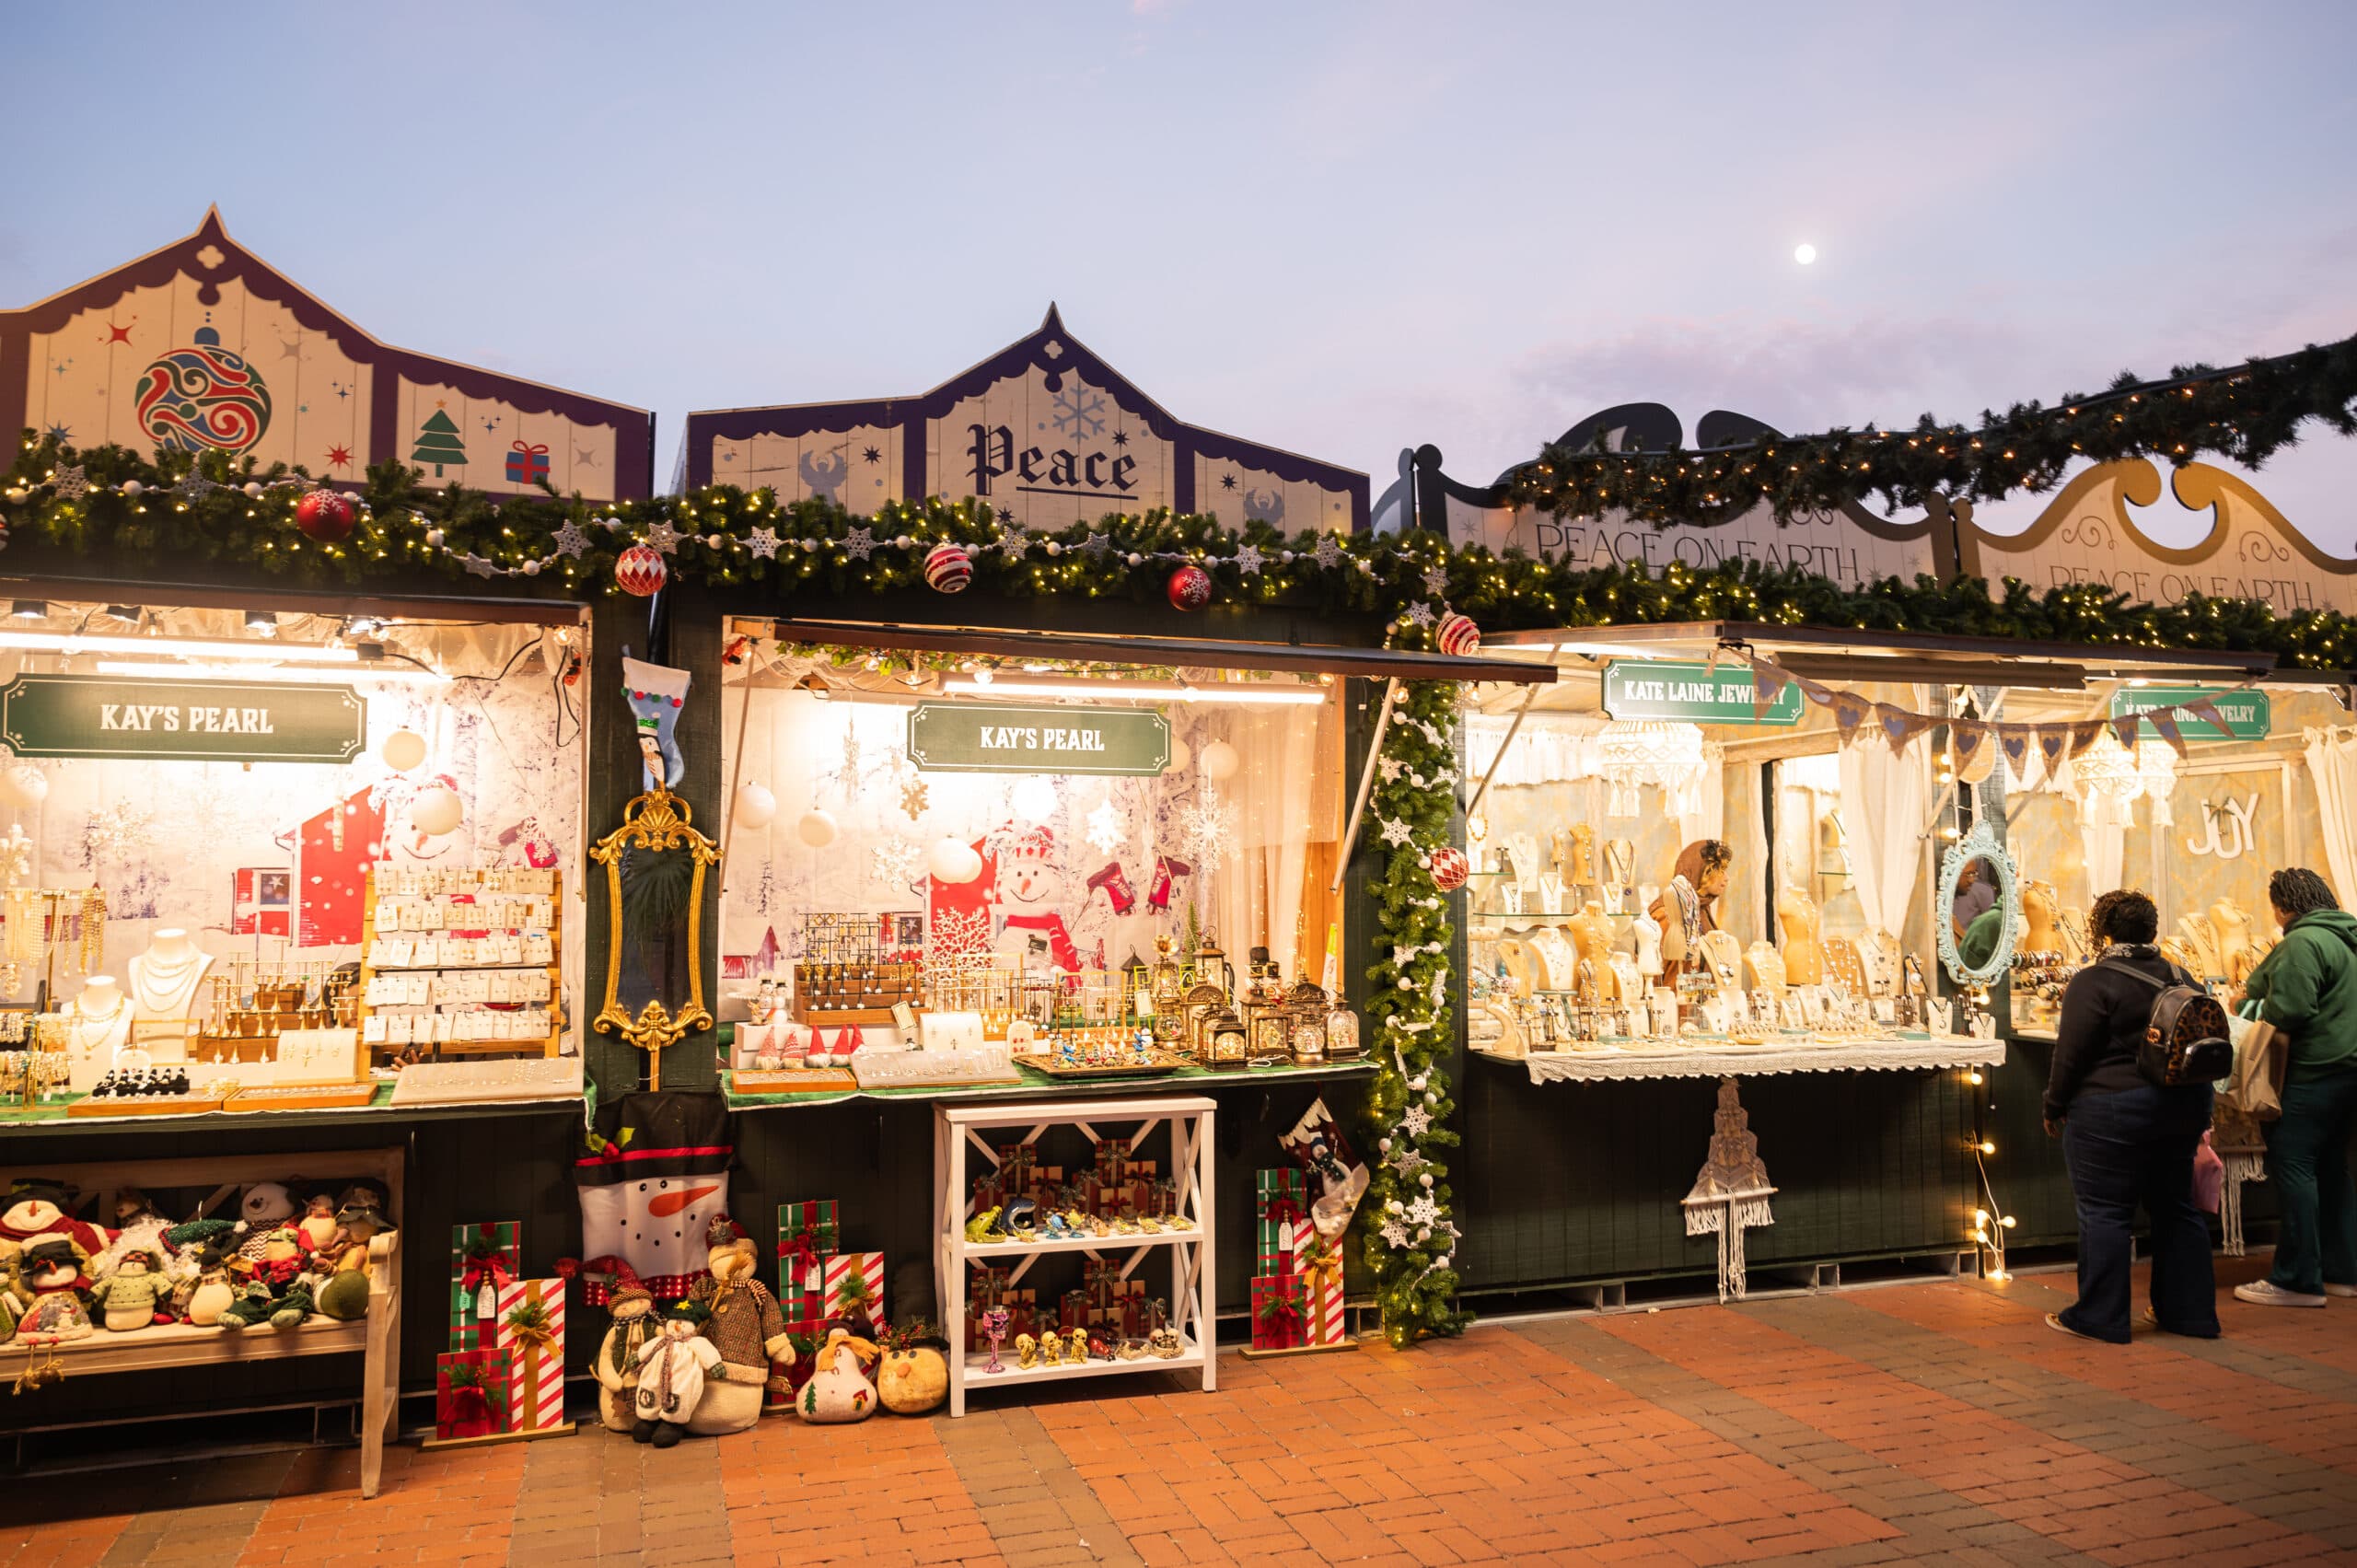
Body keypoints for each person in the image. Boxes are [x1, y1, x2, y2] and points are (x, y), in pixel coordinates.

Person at [2042, 889, 2219, 1342]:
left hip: (2110, 1112)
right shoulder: (2184, 977)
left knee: (2104, 1212)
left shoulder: (2093, 981)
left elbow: (2071, 1054)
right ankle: (2190, 1316)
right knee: (2176, 1209)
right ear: (2152, 930)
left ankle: (2100, 1317)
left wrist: (2054, 1105)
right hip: (2180, 1109)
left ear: (2103, 931)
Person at [2231, 867, 2357, 1307]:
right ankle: (2343, 1272)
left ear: (2284, 908)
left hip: (2313, 1071)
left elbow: (2292, 1008)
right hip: (2348, 1073)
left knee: (2294, 1167)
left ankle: (2298, 1279)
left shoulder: (2303, 942)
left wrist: (2247, 1004)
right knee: (2332, 1170)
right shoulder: (2348, 937)